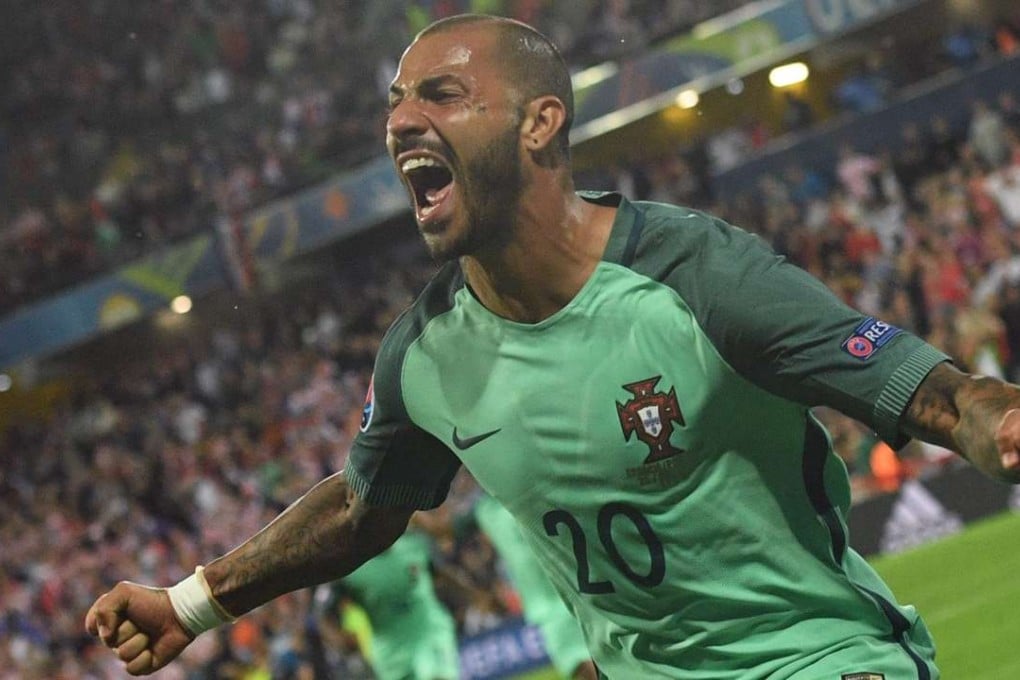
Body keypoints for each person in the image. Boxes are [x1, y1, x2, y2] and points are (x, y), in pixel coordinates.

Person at [86, 14, 1020, 679]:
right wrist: (189, 603)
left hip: (815, 659)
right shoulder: (424, 356)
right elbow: (362, 509)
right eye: (397, 102)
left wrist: (1000, 422)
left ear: (541, 122)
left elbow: (934, 393)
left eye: (442, 95)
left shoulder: (699, 276)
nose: (400, 121)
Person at [473, 490, 598, 680]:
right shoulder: (490, 506)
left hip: (549, 598)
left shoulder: (486, 509)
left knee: (580, 663)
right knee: (584, 661)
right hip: (560, 591)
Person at [318, 526, 461, 680]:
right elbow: (323, 613)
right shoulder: (348, 567)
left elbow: (443, 573)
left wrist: (474, 596)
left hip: (431, 633)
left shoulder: (415, 542)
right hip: (392, 653)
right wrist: (339, 640)